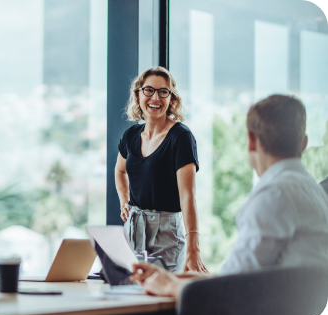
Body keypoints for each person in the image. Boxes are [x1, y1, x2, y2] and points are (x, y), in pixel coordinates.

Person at [130, 95, 328, 297]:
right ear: (303, 143)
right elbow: (236, 275)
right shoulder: (314, 192)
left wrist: (169, 286)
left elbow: (232, 288)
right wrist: (172, 278)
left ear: (251, 141)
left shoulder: (274, 195)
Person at [115, 66, 207, 273]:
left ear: (171, 99)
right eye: (149, 90)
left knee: (162, 299)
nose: (155, 97)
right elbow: (120, 171)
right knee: (131, 295)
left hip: (166, 232)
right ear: (138, 94)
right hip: (133, 228)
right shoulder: (130, 135)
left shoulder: (181, 137)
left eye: (163, 92)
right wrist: (124, 201)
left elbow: (188, 197)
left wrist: (194, 249)